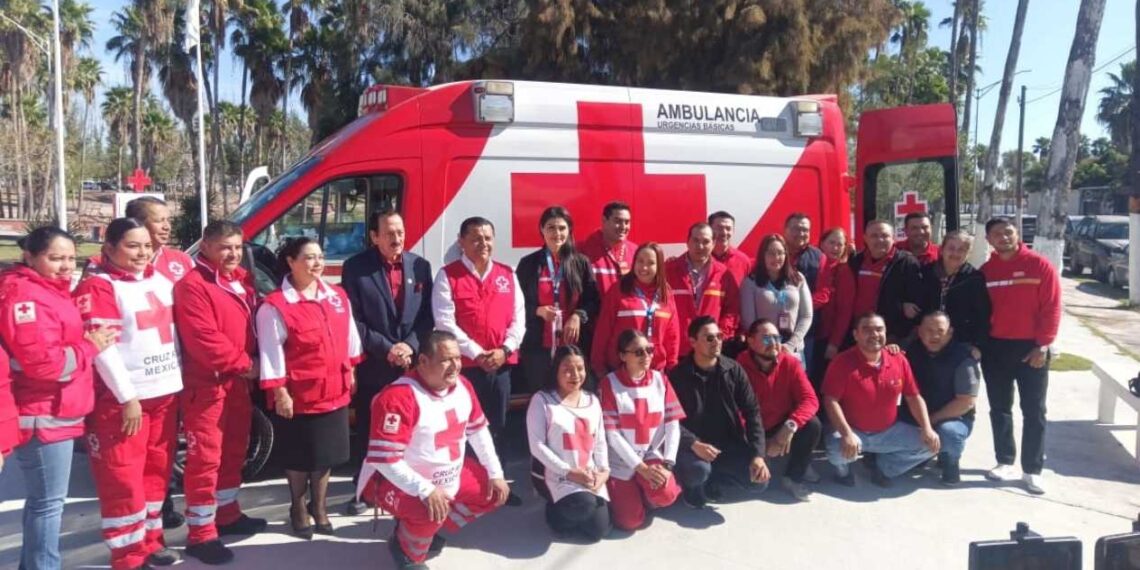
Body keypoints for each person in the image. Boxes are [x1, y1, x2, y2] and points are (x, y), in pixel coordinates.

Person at [74, 217, 184, 570]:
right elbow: (102, 349)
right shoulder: (99, 287)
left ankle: (152, 541)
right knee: (122, 478)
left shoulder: (161, 280)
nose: (142, 253)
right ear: (109, 248)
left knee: (156, 475)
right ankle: (127, 554)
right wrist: (127, 397)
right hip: (122, 401)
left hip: (165, 392)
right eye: (132, 246)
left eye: (147, 246)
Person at [0, 227, 114, 570]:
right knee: (48, 504)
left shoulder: (48, 290)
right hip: (44, 413)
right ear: (30, 257)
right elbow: (44, 364)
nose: (66, 266)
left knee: (44, 503)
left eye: (70, 258)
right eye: (55, 258)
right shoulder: (27, 298)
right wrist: (89, 346)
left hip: (56, 409)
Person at [356, 331, 510, 569]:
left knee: (493, 493)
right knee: (427, 511)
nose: (455, 366)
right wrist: (426, 490)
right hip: (392, 482)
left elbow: (479, 432)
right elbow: (386, 460)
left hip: (449, 474)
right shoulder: (398, 397)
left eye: (458, 358)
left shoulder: (463, 386)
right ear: (424, 361)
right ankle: (406, 551)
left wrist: (496, 473)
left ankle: (428, 527)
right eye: (446, 359)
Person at [172, 221, 267, 564]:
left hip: (237, 384)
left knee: (233, 452)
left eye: (238, 247)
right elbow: (204, 340)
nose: (233, 254)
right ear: (206, 246)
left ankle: (226, 515)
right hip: (208, 386)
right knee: (205, 460)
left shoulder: (239, 280)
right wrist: (246, 364)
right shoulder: (193, 286)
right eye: (225, 247)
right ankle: (200, 534)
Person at [256, 237, 363, 538]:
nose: (316, 264)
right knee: (299, 456)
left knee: (326, 455)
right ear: (290, 262)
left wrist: (352, 370)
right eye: (308, 258)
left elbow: (350, 337)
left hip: (334, 389)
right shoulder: (275, 305)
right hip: (299, 394)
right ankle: (298, 507)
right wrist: (280, 392)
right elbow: (271, 352)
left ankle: (320, 506)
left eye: (319, 257)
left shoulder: (337, 296)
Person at [341, 210, 434, 515]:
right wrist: (387, 348)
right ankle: (365, 492)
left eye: (401, 232)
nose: (397, 238)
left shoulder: (420, 266)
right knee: (372, 428)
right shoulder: (356, 268)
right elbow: (354, 321)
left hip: (410, 363)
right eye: (390, 233)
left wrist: (409, 345)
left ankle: (405, 487)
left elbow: (426, 317)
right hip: (377, 363)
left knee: (409, 429)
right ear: (374, 237)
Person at [979, 217, 1061, 495]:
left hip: (1031, 349)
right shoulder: (986, 271)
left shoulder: (1039, 265)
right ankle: (1005, 461)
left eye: (1008, 232)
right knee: (1000, 408)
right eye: (997, 234)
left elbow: (1052, 308)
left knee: (1034, 410)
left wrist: (1043, 345)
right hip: (996, 348)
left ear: (1017, 234)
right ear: (989, 240)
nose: (1003, 237)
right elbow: (980, 313)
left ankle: (1032, 469)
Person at [432, 217, 525, 441]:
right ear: (461, 242)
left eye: (487, 238)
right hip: (465, 366)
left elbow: (518, 319)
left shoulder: (508, 274)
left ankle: (497, 473)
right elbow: (445, 322)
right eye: (475, 239)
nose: (483, 243)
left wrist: (505, 350)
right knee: (466, 427)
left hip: (501, 365)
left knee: (499, 427)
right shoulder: (447, 276)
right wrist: (478, 353)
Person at [823, 313, 940, 488]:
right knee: (834, 448)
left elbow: (913, 397)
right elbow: (830, 401)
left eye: (879, 329)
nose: (874, 334)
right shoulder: (842, 362)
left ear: (886, 332)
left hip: (889, 431)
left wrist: (927, 428)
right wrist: (847, 434)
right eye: (867, 330)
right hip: (854, 431)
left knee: (930, 446)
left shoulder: (898, 359)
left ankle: (884, 469)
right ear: (856, 335)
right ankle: (843, 471)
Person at [670, 317, 770, 508]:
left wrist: (758, 455)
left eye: (719, 336)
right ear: (692, 342)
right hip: (693, 449)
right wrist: (693, 443)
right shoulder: (678, 376)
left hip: (727, 444)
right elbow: (670, 422)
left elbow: (752, 412)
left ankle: (716, 478)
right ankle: (693, 487)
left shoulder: (733, 370)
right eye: (709, 338)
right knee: (698, 471)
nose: (716, 342)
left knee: (759, 480)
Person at [599, 329, 684, 531]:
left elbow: (673, 424)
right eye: (638, 352)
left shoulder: (660, 380)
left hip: (651, 456)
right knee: (630, 522)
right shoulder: (609, 384)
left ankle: (645, 494)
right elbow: (613, 435)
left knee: (666, 494)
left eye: (649, 350)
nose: (646, 356)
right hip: (621, 461)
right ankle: (629, 493)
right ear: (622, 356)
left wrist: (667, 464)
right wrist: (641, 469)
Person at [526, 345, 611, 542]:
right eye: (567, 369)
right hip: (556, 476)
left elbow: (599, 441)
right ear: (555, 370)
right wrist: (569, 472)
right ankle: (554, 513)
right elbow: (536, 446)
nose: (575, 374)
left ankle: (578, 508)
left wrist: (604, 471)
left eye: (580, 368)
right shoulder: (542, 401)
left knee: (600, 530)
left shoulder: (592, 400)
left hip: (588, 474)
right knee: (584, 507)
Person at [737, 319, 822, 501]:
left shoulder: (790, 363)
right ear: (751, 341)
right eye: (767, 338)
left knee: (813, 425)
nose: (775, 343)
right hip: (750, 430)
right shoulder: (738, 368)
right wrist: (760, 446)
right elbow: (735, 412)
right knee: (756, 486)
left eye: (777, 337)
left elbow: (810, 400)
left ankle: (793, 477)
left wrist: (789, 427)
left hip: (779, 424)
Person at [517, 207, 600, 393]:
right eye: (551, 228)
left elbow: (593, 300)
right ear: (542, 230)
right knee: (542, 398)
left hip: (573, 348)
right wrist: (538, 311)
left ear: (569, 230)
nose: (557, 233)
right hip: (539, 348)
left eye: (562, 228)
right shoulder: (528, 264)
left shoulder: (581, 263)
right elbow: (515, 305)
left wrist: (578, 316)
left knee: (574, 397)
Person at [902, 312, 981, 486]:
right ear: (919, 331)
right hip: (917, 416)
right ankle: (924, 454)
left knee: (950, 433)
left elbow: (966, 402)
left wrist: (929, 423)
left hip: (953, 418)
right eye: (929, 330)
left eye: (941, 330)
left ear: (950, 332)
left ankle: (950, 461)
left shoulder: (964, 358)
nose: (935, 335)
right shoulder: (910, 351)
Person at [828, 220, 922, 354]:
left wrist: (902, 310)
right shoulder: (855, 261)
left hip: (889, 337)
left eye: (885, 236)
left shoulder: (907, 263)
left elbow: (916, 303)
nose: (880, 240)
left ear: (893, 238)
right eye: (874, 236)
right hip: (857, 334)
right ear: (865, 238)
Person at [590, 242, 680, 377]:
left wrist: (672, 367)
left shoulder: (665, 293)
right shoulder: (619, 289)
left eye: (651, 263)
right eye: (640, 261)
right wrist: (598, 366)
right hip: (620, 370)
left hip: (654, 372)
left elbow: (672, 334)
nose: (644, 267)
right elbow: (603, 329)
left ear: (659, 266)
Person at [665, 222, 739, 356]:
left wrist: (720, 335)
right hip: (677, 350)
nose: (700, 246)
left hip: (710, 350)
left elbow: (732, 311)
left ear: (713, 243)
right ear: (687, 242)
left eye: (705, 241)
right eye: (695, 240)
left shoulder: (723, 274)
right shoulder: (669, 271)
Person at [86, 197, 195, 284]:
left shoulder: (182, 260)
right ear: (137, 222)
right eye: (158, 221)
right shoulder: (100, 264)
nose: (167, 227)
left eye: (168, 220)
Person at [916, 230, 991, 356]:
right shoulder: (925, 273)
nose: (955, 253)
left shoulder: (974, 278)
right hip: (927, 340)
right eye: (951, 248)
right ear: (942, 249)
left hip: (961, 341)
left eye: (961, 249)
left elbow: (982, 314)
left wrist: (977, 344)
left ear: (967, 253)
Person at [739, 234, 813, 359]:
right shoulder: (751, 282)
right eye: (771, 253)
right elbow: (749, 322)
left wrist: (791, 344)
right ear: (763, 255)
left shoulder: (797, 279)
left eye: (780, 253)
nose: (776, 257)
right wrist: (771, 345)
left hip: (793, 350)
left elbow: (806, 315)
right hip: (764, 351)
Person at [784, 213, 834, 371]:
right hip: (773, 327)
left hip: (805, 330)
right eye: (795, 229)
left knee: (802, 372)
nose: (801, 233)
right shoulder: (774, 251)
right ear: (785, 230)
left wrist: (799, 309)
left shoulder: (819, 257)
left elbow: (823, 293)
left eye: (805, 230)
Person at [809, 227, 851, 385]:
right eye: (831, 243)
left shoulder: (843, 272)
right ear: (821, 244)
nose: (835, 248)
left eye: (840, 244)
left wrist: (834, 343)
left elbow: (844, 312)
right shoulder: (812, 267)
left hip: (826, 338)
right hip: (808, 333)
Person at [578, 201, 637, 299]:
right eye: (617, 221)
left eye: (627, 222)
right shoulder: (583, 250)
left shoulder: (636, 251)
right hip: (594, 314)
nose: (623, 227)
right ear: (604, 220)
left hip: (625, 313)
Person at [708, 211, 753, 290]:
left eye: (728, 229)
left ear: (733, 231)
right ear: (709, 229)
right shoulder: (698, 259)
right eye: (719, 228)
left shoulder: (743, 261)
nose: (724, 232)